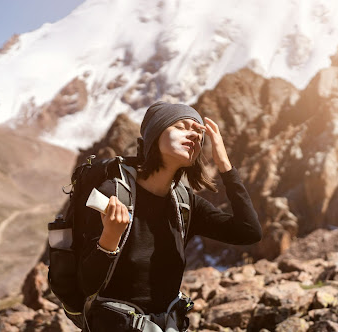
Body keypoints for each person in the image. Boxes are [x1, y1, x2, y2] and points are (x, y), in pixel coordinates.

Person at [78, 101, 262, 331]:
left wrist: (225, 165)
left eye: (198, 132)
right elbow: (88, 285)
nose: (194, 135)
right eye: (182, 126)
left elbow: (249, 231)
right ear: (155, 134)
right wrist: (110, 238)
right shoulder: (113, 193)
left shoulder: (184, 203)